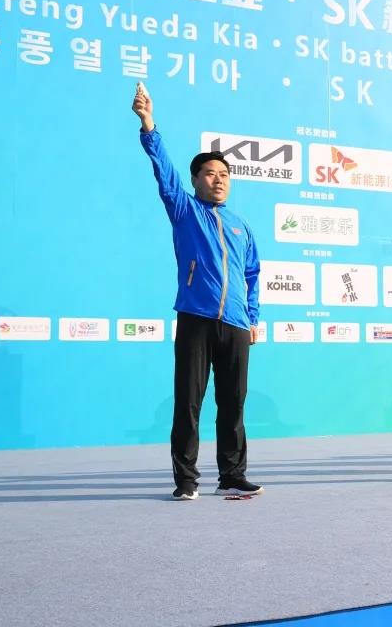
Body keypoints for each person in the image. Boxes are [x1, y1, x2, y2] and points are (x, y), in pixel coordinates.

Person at [132, 83, 262, 501]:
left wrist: (253, 317)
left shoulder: (241, 226)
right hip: (196, 319)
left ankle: (233, 474)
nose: (218, 180)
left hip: (236, 325)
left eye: (225, 175)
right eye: (210, 174)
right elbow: (164, 173)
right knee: (189, 403)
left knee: (233, 404)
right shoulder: (185, 210)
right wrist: (149, 125)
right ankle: (186, 480)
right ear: (195, 180)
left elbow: (252, 274)